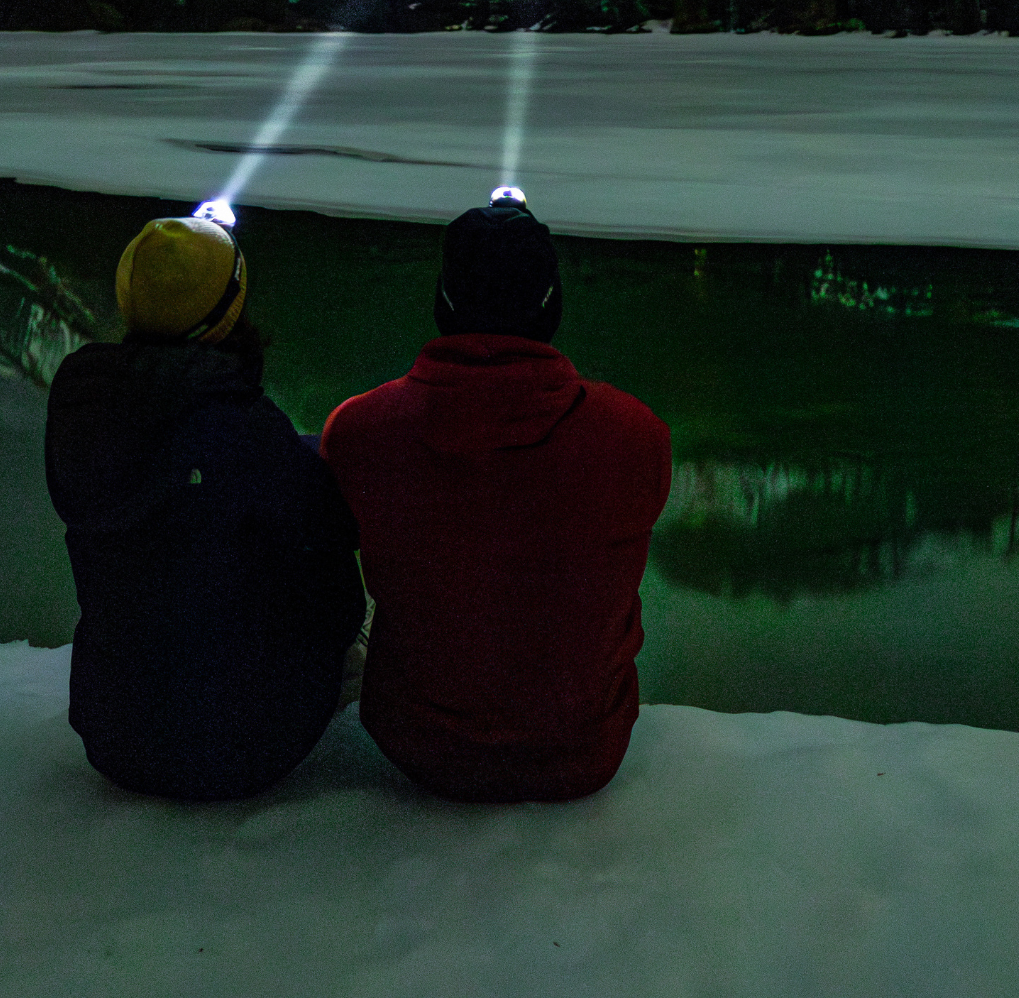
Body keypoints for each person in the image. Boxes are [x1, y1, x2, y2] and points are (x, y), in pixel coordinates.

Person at [321, 192, 671, 803]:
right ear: (552, 305)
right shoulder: (633, 435)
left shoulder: (358, 430)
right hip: (580, 755)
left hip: (416, 748)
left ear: (442, 303)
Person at [46, 213, 365, 802]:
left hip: (113, 737)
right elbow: (336, 590)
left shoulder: (85, 415)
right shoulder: (251, 434)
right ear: (229, 313)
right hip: (244, 754)